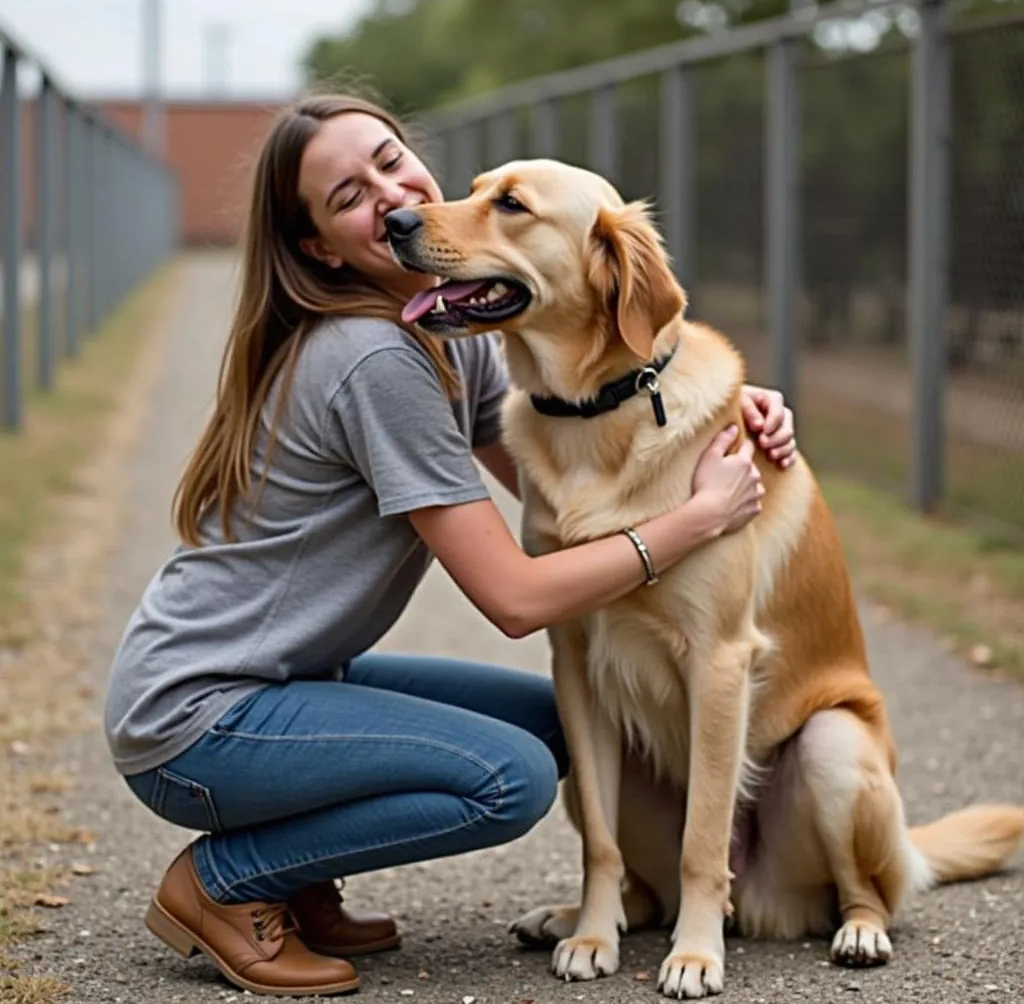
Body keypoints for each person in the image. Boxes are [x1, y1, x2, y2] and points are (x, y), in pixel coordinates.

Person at [103, 91, 798, 998]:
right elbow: (515, 599)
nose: (390, 197)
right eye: (348, 196)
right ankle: (224, 884)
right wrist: (698, 519)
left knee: (560, 720)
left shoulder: (449, 323)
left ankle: (297, 871)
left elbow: (561, 464)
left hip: (288, 683)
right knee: (504, 779)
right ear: (317, 246)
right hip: (199, 719)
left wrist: (719, 406)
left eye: (390, 160)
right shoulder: (373, 359)